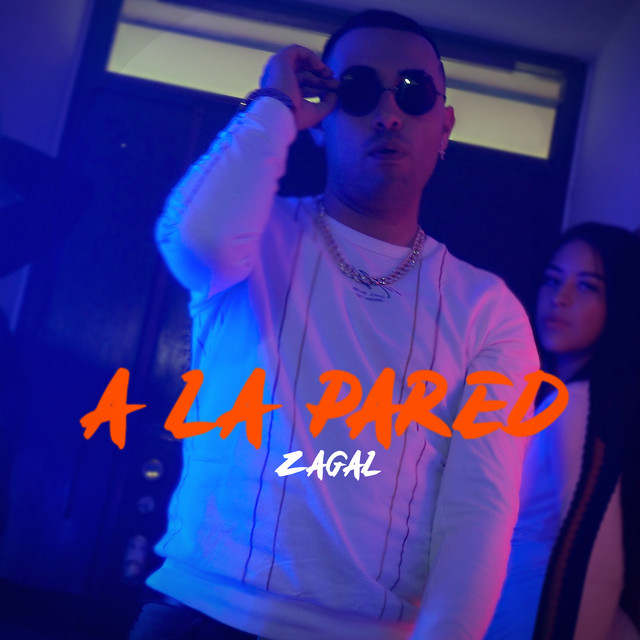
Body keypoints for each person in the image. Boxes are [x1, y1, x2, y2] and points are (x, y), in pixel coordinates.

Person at [132, 10, 539, 640]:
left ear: (444, 127)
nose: (389, 114)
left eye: (413, 93)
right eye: (358, 90)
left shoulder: (488, 310)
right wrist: (273, 106)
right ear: (319, 119)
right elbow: (196, 240)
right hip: (197, 613)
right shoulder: (254, 237)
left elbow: (478, 514)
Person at [485, 223, 640, 640]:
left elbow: (597, 561)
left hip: (542, 613)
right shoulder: (558, 397)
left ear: (620, 301)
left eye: (587, 286)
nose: (560, 298)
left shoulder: (583, 404)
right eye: (552, 280)